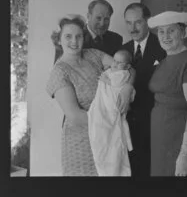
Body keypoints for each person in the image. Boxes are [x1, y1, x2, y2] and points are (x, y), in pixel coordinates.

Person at [46, 15, 133, 176]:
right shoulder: (59, 72)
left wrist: (128, 87)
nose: (74, 41)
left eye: (79, 36)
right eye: (68, 36)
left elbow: (126, 68)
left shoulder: (93, 54)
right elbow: (75, 116)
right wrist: (112, 119)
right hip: (81, 143)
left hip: (107, 138)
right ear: (58, 40)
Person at [148, 11, 187, 176]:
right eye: (161, 31)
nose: (165, 36)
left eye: (171, 30)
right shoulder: (164, 60)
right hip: (160, 136)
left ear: (182, 32)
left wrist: (185, 154)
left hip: (178, 135)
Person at [122, 3, 166, 176]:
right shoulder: (122, 50)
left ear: (148, 21)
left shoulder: (163, 46)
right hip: (126, 126)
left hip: (153, 123)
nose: (132, 28)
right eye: (128, 23)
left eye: (138, 22)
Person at [88, 50, 135, 176]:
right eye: (114, 60)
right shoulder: (111, 70)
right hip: (102, 103)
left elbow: (116, 84)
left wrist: (105, 79)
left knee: (112, 142)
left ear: (127, 66)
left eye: (120, 63)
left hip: (111, 106)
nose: (115, 64)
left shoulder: (123, 73)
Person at [54, 0, 123, 62]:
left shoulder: (116, 39)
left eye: (106, 19)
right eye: (98, 18)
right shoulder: (71, 39)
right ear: (88, 16)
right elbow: (59, 69)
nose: (102, 24)